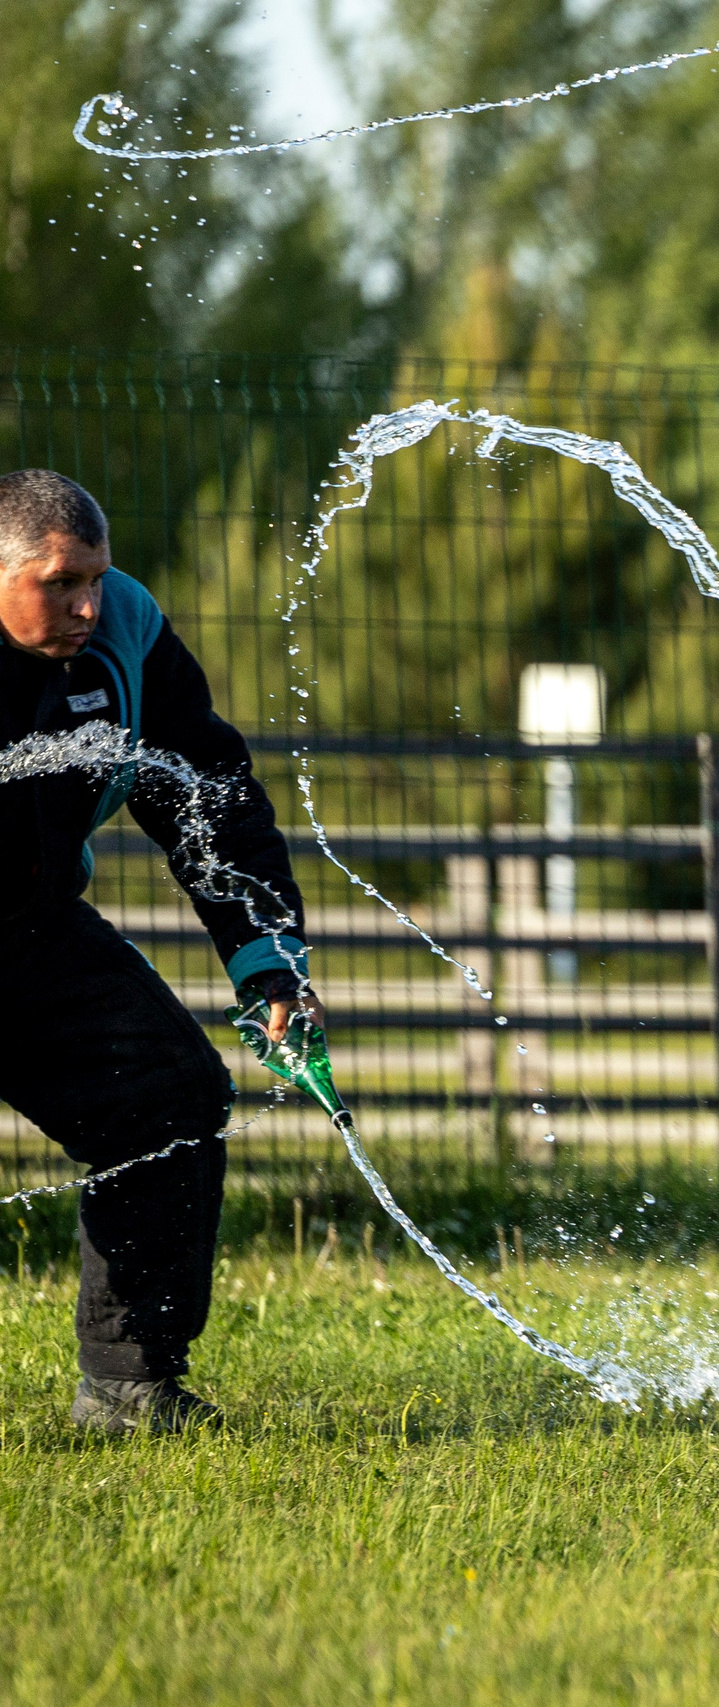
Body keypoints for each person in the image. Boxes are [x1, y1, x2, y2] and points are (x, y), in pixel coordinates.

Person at [0, 468, 322, 1435]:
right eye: (58, 583)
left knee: (168, 1092)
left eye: (94, 576)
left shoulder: (126, 630)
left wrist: (267, 956)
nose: (86, 604)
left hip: (31, 930)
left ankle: (129, 1382)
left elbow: (206, 790)